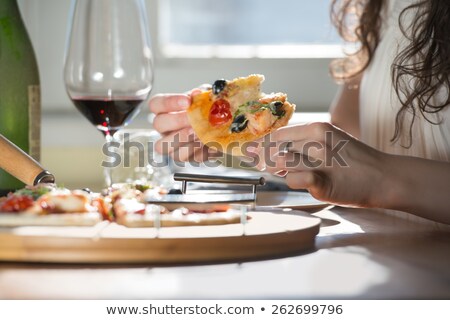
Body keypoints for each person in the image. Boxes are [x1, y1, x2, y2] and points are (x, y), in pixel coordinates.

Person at [149, 0, 450, 225]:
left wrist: (383, 179)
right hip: (390, 255)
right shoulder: (378, 6)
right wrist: (236, 132)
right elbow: (350, 140)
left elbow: (371, 170)